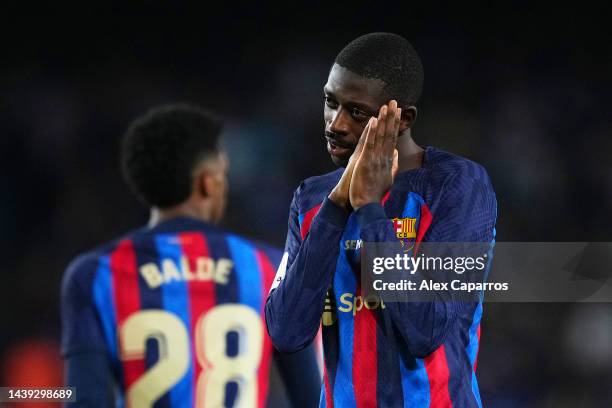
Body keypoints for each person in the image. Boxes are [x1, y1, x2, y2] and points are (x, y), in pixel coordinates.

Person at [265, 33, 497, 407]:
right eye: (330, 102)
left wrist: (371, 209)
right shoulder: (311, 199)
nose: (335, 123)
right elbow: (287, 333)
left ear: (402, 118)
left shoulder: (456, 186)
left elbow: (426, 329)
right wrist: (337, 208)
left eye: (356, 111)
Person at [61, 104, 321, 407]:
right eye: (223, 174)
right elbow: (311, 398)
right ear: (207, 183)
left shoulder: (95, 275)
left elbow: (85, 400)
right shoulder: (273, 268)